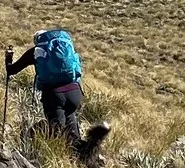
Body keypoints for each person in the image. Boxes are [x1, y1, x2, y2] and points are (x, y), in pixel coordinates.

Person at [8, 27, 109, 160]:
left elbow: (11, 70)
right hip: (74, 92)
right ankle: (87, 155)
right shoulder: (66, 49)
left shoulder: (37, 51)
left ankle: (54, 157)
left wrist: (8, 57)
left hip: (54, 95)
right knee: (72, 132)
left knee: (57, 132)